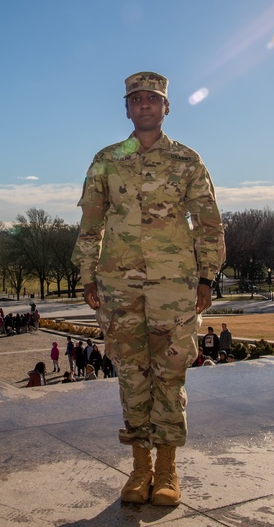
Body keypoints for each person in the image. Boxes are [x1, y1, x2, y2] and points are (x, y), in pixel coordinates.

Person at [72, 71, 225, 506]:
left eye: (152, 99)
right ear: (126, 108)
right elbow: (90, 225)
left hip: (174, 286)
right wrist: (87, 275)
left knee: (171, 374)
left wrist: (205, 277)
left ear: (165, 108)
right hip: (120, 287)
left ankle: (168, 469)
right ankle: (140, 468)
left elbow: (209, 225)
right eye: (136, 99)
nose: (144, 105)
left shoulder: (187, 161)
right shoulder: (106, 160)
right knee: (132, 375)